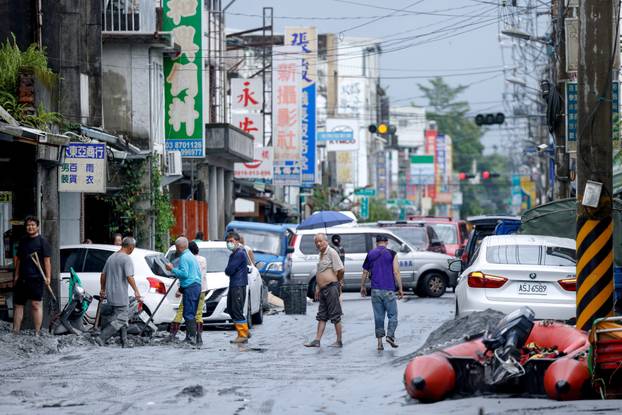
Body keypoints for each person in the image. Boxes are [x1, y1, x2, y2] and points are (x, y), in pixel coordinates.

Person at [95, 237, 142, 346]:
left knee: (121, 318)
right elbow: (129, 276)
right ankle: (102, 337)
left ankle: (124, 342)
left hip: (111, 294)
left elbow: (103, 275)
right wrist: (136, 291)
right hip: (120, 294)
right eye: (133, 248)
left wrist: (102, 289)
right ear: (131, 247)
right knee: (122, 318)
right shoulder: (126, 259)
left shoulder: (111, 257)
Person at [360, 234, 404, 351]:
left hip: (375, 290)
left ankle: (379, 343)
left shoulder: (370, 254)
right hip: (389, 289)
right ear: (387, 242)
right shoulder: (392, 254)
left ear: (376, 242)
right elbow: (396, 272)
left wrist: (363, 286)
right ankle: (390, 335)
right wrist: (400, 288)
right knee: (393, 315)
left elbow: (365, 272)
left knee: (378, 317)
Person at [12, 216, 52, 336]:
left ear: (37, 227)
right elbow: (19, 259)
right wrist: (17, 274)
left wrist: (48, 277)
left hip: (36, 278)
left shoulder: (42, 241)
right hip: (22, 278)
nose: (30, 227)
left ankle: (37, 332)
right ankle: (15, 331)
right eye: (28, 225)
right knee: (18, 305)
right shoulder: (23, 241)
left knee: (36, 305)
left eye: (33, 225)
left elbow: (47, 261)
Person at [304, 233, 345, 348]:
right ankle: (317, 340)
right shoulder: (321, 254)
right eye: (316, 242)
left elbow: (341, 269)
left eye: (320, 241)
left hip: (331, 287)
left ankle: (339, 341)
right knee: (322, 315)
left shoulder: (331, 252)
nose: (318, 243)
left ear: (326, 241)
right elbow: (320, 272)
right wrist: (317, 287)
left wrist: (338, 281)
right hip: (323, 289)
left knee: (335, 315)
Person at [168, 241, 207, 345]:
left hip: (191, 287)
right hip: (197, 287)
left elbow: (184, 274)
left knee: (188, 314)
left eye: (176, 248)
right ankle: (194, 338)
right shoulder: (191, 256)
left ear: (179, 247)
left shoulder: (184, 257)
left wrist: (172, 269)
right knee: (192, 314)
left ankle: (191, 338)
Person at [224, 231, 250, 344]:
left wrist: (228, 270)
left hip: (238, 285)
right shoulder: (236, 253)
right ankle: (245, 330)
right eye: (227, 241)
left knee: (236, 309)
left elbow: (229, 270)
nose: (229, 243)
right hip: (235, 284)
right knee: (231, 308)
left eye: (231, 241)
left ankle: (243, 334)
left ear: (237, 241)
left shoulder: (239, 253)